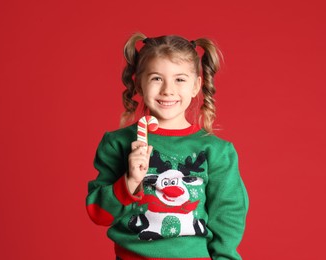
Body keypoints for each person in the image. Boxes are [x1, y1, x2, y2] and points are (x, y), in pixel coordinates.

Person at [86, 32, 249, 260]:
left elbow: (228, 215)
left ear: (196, 86)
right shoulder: (118, 144)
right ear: (139, 84)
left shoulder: (218, 151)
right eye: (156, 78)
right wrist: (129, 182)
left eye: (180, 79)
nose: (167, 90)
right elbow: (99, 214)